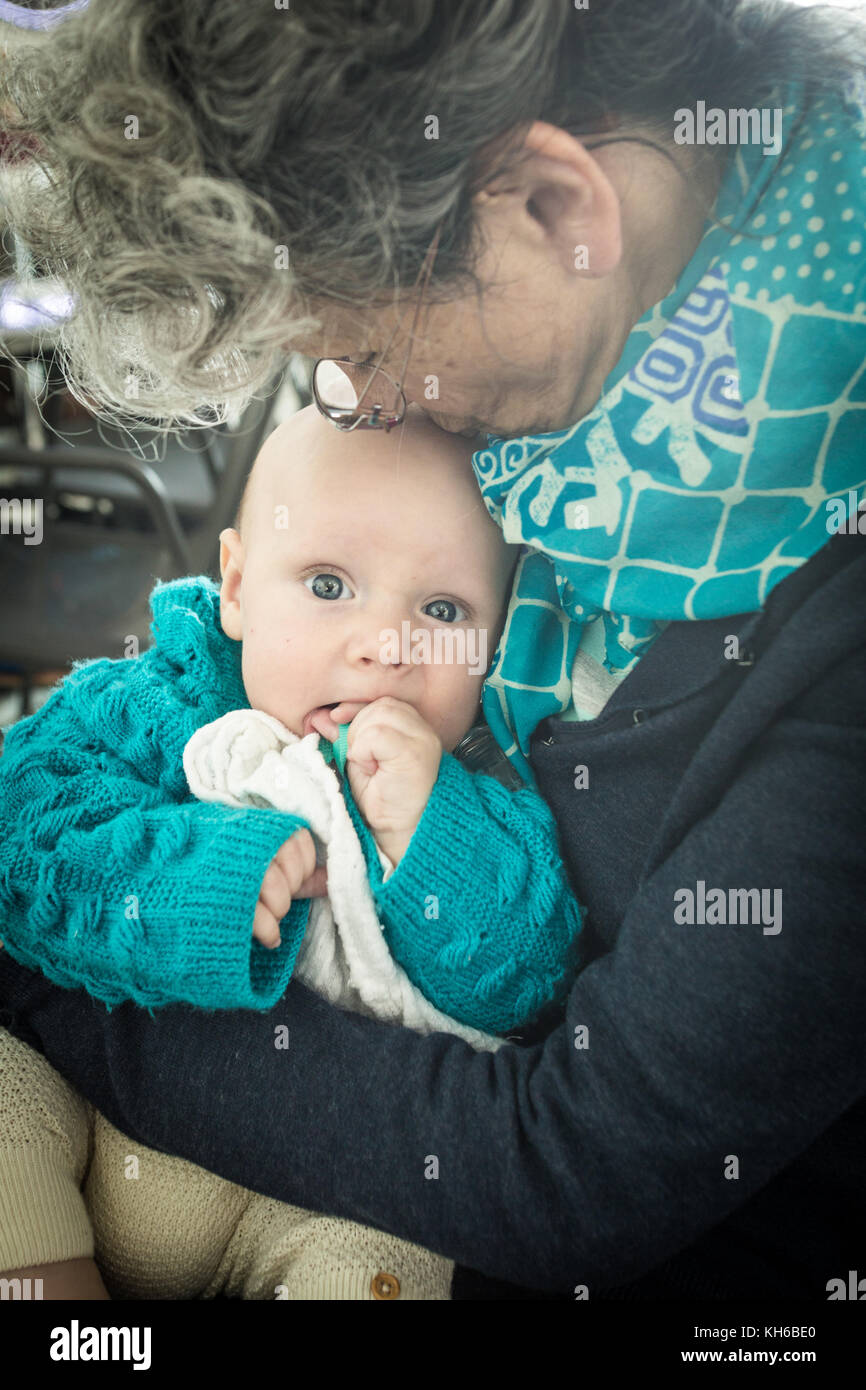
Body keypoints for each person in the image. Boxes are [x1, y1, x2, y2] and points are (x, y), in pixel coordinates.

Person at [0, 0, 864, 1301]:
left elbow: (562, 1162)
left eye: (359, 350)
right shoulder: (538, 412)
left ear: (556, 210)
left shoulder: (825, 639)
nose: (371, 409)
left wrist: (55, 982)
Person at [0, 402, 589, 1298]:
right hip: (95, 1133)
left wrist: (433, 835)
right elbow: (26, 830)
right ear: (235, 586)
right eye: (327, 584)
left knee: (403, 1263)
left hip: (325, 1201)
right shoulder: (158, 698)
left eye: (441, 609)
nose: (382, 649)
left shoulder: (480, 784)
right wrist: (198, 873)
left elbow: (532, 971)